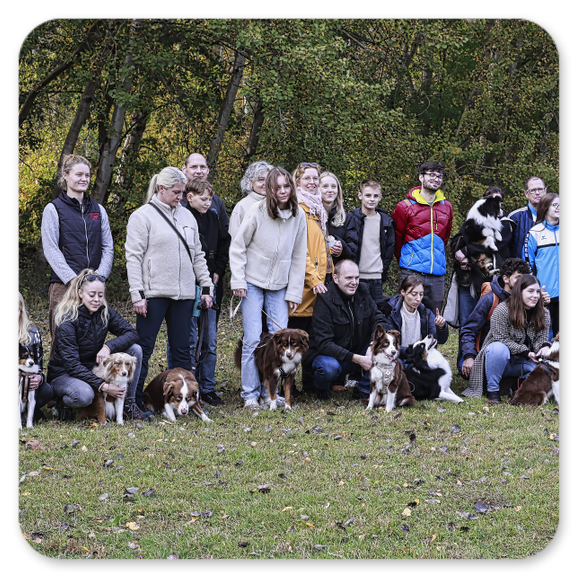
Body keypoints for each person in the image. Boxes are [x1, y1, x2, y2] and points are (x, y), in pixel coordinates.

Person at [125, 167, 213, 414]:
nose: (181, 197)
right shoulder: (142, 216)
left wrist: (206, 286)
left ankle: (186, 402)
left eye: (182, 192)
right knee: (144, 349)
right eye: (176, 192)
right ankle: (133, 400)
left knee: (182, 350)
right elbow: (133, 257)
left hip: (184, 294)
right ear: (161, 189)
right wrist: (137, 294)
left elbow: (197, 254)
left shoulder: (187, 217)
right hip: (153, 294)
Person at [230, 166, 307, 408]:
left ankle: (270, 393)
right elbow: (238, 246)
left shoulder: (298, 215)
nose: (282, 191)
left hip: (280, 286)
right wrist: (238, 280)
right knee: (253, 339)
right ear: (270, 189)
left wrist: (294, 292)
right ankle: (250, 395)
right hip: (252, 282)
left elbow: (299, 256)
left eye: (286, 186)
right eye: (277, 187)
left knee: (280, 338)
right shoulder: (256, 210)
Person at [47, 270, 145, 420]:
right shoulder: (67, 319)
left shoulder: (104, 312)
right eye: (92, 295)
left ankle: (128, 402)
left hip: (93, 369)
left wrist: (108, 347)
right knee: (84, 395)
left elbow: (132, 334)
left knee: (134, 350)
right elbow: (72, 365)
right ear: (80, 293)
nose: (97, 300)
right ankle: (62, 403)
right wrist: (104, 386)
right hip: (64, 374)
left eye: (100, 295)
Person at [166, 178, 231, 406]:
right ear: (190, 197)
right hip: (186, 286)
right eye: (203, 199)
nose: (208, 203)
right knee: (188, 340)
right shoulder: (182, 218)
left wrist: (218, 271)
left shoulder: (213, 217)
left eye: (210, 199)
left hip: (209, 285)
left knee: (209, 340)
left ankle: (207, 387)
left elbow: (223, 245)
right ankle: (180, 385)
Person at [41, 154, 114, 349]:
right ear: (65, 175)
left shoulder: (99, 210)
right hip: (64, 286)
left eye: (87, 175)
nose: (84, 179)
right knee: (63, 344)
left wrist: (98, 279)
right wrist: (73, 280)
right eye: (79, 174)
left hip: (93, 289)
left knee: (91, 343)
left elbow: (108, 247)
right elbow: (50, 248)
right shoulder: (53, 209)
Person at [462, 274, 551, 402]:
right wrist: (526, 352)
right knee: (498, 348)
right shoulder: (502, 310)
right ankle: (493, 391)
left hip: (524, 361)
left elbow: (541, 337)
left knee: (545, 369)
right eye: (530, 291)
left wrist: (544, 347)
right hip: (499, 360)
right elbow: (500, 338)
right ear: (519, 292)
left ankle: (516, 385)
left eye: (537, 292)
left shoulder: (544, 312)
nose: (535, 295)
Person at [307, 259, 386, 402]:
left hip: (358, 352)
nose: (354, 282)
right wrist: (358, 359)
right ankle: (321, 388)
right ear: (335, 278)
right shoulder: (325, 299)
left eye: (356, 278)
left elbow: (378, 318)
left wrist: (372, 345)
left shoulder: (363, 291)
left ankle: (363, 389)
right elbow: (324, 344)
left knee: (385, 348)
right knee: (328, 367)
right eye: (349, 278)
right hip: (331, 357)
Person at [288, 162, 332, 392]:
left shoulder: (317, 210)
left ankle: (310, 384)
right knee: (294, 337)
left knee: (311, 338)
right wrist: (314, 279)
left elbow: (318, 248)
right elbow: (299, 251)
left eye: (316, 178)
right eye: (307, 178)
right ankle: (288, 385)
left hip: (318, 284)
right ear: (297, 181)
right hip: (303, 284)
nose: (312, 182)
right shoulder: (297, 208)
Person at [392, 161, 453, 312]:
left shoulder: (447, 207)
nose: (436, 179)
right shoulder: (405, 206)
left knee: (434, 317)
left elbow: (444, 238)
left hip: (437, 274)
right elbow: (397, 239)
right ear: (421, 177)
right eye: (431, 175)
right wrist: (408, 260)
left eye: (439, 176)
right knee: (405, 314)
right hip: (411, 271)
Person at [458, 257, 534, 380]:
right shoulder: (490, 299)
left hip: (517, 354)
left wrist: (541, 305)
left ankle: (510, 377)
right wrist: (469, 356)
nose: (522, 283)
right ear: (506, 279)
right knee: (472, 367)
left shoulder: (529, 300)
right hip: (490, 352)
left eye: (525, 279)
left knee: (544, 369)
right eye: (518, 278)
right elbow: (469, 330)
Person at [345, 178, 395, 311]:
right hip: (356, 277)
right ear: (360, 195)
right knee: (354, 313)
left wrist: (382, 268)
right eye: (368, 195)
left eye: (375, 196)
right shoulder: (351, 219)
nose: (371, 199)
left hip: (376, 277)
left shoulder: (386, 222)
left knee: (375, 313)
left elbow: (389, 249)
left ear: (380, 197)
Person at [382, 274, 449, 357]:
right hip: (398, 357)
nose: (418, 299)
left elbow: (440, 340)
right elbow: (391, 345)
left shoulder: (426, 311)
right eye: (414, 294)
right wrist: (412, 352)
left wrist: (441, 327)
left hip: (421, 357)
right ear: (403, 292)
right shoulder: (391, 312)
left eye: (421, 294)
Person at [525, 193, 560, 336]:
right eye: (555, 205)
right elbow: (527, 265)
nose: (558, 208)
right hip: (546, 295)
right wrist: (537, 291)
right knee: (547, 336)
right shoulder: (535, 233)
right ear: (545, 208)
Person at [18, 291, 53, 421]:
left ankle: (27, 412)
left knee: (46, 391)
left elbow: (39, 365)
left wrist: (39, 377)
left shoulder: (32, 332)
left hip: (26, 382)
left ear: (21, 311)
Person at [229, 160, 274, 239]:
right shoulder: (242, 206)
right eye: (261, 180)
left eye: (269, 180)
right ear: (250, 182)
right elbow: (235, 238)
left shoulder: (278, 203)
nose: (265, 183)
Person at [508, 176, 547, 259]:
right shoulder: (515, 217)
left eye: (540, 189)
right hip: (521, 266)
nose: (537, 193)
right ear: (526, 194)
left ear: (545, 191)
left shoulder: (555, 217)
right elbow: (505, 249)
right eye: (533, 190)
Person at [318, 171, 352, 266]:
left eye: (333, 186)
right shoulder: (311, 216)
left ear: (338, 190)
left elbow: (353, 252)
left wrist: (342, 248)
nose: (330, 190)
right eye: (325, 186)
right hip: (315, 270)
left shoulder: (348, 218)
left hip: (338, 271)